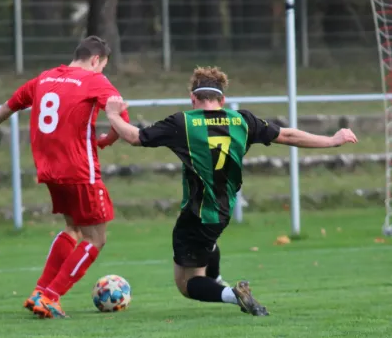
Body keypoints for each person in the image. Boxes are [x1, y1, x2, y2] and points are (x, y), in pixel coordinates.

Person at [104, 66, 358, 316]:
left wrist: (113, 115)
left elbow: (136, 137)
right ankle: (220, 281)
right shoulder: (242, 120)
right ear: (222, 99)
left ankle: (232, 294)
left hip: (197, 214)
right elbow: (289, 135)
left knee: (187, 285)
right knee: (209, 245)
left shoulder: (182, 123)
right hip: (224, 209)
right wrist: (332, 140)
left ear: (193, 98)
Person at [0, 36, 129, 319]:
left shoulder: (43, 79)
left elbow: (11, 104)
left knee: (73, 229)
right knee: (96, 239)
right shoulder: (95, 81)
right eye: (103, 66)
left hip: (50, 170)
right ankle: (51, 296)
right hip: (81, 170)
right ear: (96, 60)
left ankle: (39, 291)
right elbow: (120, 115)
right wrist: (108, 138)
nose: (102, 71)